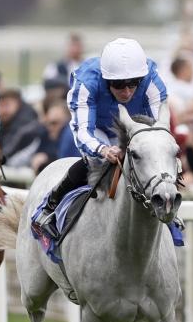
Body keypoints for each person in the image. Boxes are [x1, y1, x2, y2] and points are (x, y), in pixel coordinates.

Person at [32, 38, 168, 238]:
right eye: (119, 85)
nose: (127, 92)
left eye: (133, 84)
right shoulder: (87, 82)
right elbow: (82, 131)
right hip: (97, 127)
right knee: (98, 160)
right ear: (106, 79)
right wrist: (103, 149)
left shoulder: (152, 81)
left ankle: (167, 210)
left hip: (135, 124)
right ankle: (50, 205)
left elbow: (160, 130)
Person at [0, 88, 44, 169]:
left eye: (6, 105)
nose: (3, 110)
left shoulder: (26, 121)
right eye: (0, 106)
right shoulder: (7, 121)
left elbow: (10, 147)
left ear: (17, 103)